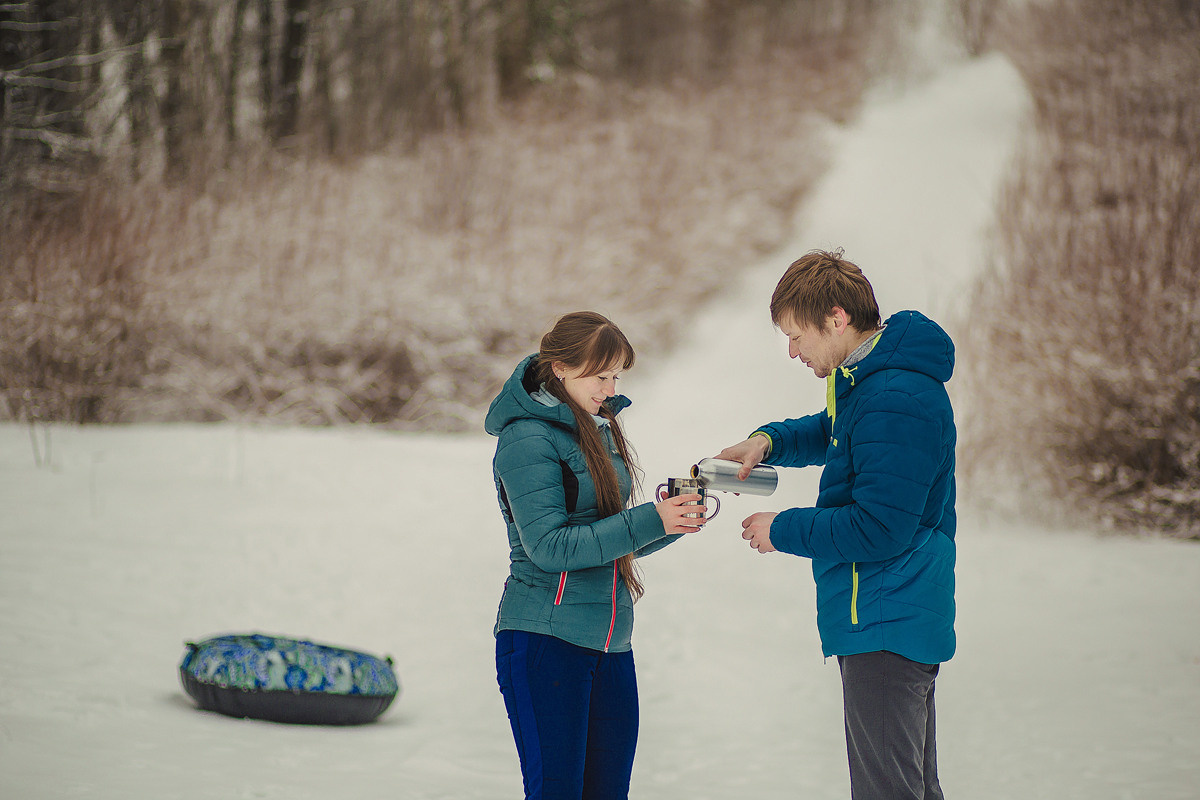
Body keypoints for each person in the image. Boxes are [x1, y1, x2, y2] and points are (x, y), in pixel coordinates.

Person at [715, 249, 956, 800]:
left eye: (798, 336)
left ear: (836, 317)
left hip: (884, 614)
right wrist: (768, 440)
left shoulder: (893, 396)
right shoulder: (874, 385)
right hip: (890, 610)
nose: (793, 352)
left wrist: (782, 529)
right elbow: (835, 433)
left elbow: (879, 528)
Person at [485, 310, 704, 800]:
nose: (610, 388)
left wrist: (675, 519)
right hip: (546, 638)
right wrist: (651, 518)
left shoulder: (597, 428)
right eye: (599, 375)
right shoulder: (526, 438)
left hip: (609, 643)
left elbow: (610, 538)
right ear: (560, 367)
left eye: (616, 376)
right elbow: (550, 547)